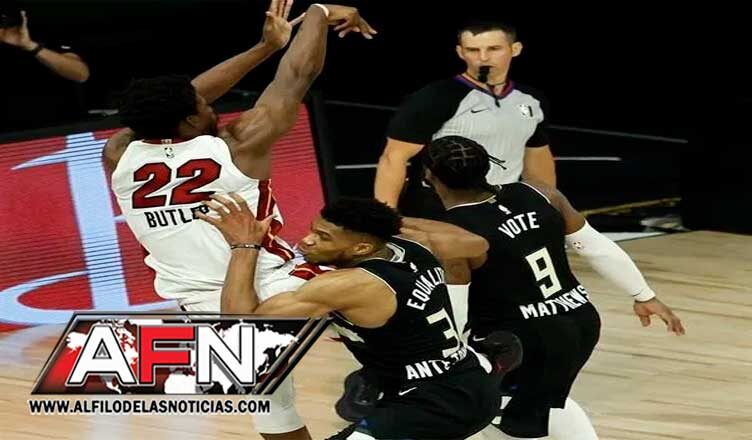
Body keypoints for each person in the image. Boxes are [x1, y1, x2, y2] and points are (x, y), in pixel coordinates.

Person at [103, 2, 376, 439]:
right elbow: (297, 75)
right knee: (387, 281)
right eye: (202, 104)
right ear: (189, 118)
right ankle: (392, 374)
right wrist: (320, 13)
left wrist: (263, 47)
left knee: (273, 409)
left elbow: (171, 103)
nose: (210, 102)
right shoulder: (237, 144)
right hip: (275, 281)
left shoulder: (118, 154)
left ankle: (379, 374)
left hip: (204, 307)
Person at [417, 135, 685, 440]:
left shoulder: (455, 234)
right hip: (580, 320)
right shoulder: (540, 192)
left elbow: (455, 304)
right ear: (487, 165)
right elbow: (592, 245)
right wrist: (643, 295)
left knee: (487, 409)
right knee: (544, 402)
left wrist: (445, 352)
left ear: (430, 176)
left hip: (520, 338)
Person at [197, 194, 523, 440]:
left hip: (431, 404)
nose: (307, 240)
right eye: (313, 230)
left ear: (362, 249)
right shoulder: (414, 247)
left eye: (324, 237)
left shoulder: (352, 285)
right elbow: (475, 243)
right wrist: (390, 219)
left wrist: (244, 246)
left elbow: (241, 324)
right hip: (468, 382)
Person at [374, 20, 556, 220]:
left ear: (515, 49)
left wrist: (547, 207)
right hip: (441, 211)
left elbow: (537, 157)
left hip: (504, 207)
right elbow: (393, 158)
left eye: (494, 49)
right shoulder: (435, 97)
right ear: (460, 52)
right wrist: (385, 220)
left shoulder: (531, 100)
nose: (483, 58)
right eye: (473, 50)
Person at [0, 8, 90, 132]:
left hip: (61, 130)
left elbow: (81, 74)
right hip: (8, 136)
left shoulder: (39, 32)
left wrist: (31, 46)